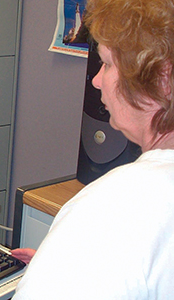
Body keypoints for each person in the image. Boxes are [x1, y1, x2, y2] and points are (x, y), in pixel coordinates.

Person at [11, 0, 174, 298]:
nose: (97, 81)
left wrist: (74, 259)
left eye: (108, 64)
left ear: (161, 79)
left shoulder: (113, 208)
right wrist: (71, 271)